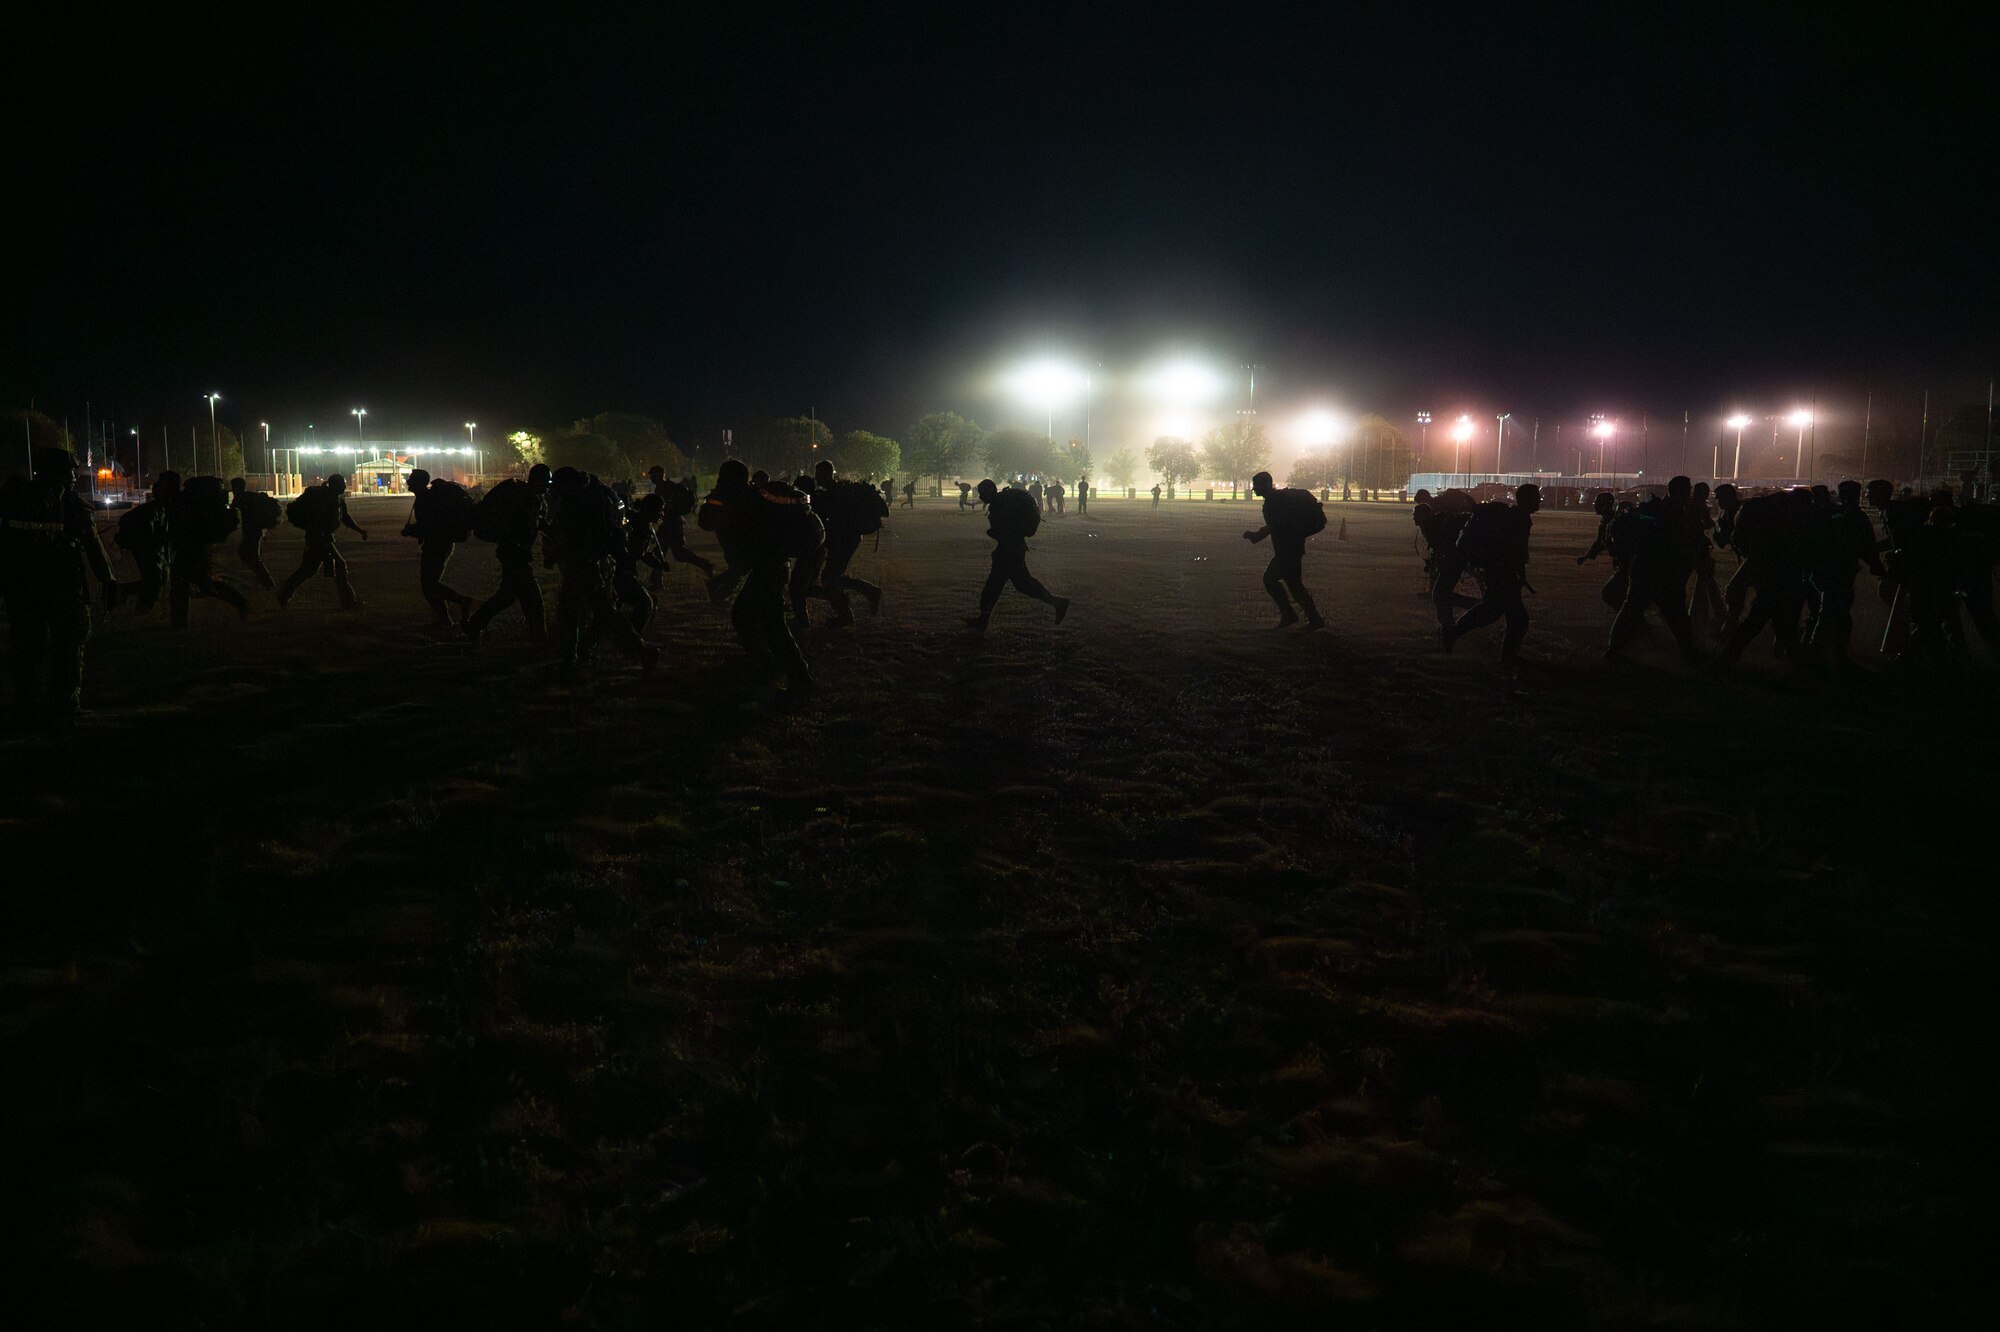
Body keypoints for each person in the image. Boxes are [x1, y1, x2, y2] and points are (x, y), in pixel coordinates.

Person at [1, 448, 121, 722]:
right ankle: (60, 704)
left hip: (28, 589)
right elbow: (93, 545)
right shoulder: (71, 505)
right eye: (70, 470)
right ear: (53, 472)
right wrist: (109, 580)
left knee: (33, 646)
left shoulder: (13, 499)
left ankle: (31, 704)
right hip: (58, 589)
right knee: (63, 645)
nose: (75, 476)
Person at [708, 460, 816, 698]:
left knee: (772, 626)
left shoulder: (745, 500)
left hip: (769, 569)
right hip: (770, 568)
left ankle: (798, 677)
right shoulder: (754, 496)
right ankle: (773, 667)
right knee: (750, 618)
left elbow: (707, 519)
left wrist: (717, 496)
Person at [545, 467, 655, 679]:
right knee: (601, 611)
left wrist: (552, 554)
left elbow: (570, 536)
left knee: (577, 614)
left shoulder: (576, 502)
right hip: (599, 561)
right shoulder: (596, 497)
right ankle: (639, 650)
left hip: (582, 564)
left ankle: (571, 663)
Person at [1604, 477, 1702, 664]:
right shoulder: (1653, 509)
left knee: (1675, 615)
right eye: (1685, 491)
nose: (1688, 495)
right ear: (1675, 491)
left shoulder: (1682, 513)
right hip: (1648, 570)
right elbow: (1625, 524)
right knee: (1633, 610)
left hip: (1667, 573)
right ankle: (1615, 649)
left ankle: (1688, 652)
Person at [1442, 483, 1540, 664]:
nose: (1539, 501)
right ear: (1528, 499)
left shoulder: (1513, 515)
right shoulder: (1520, 518)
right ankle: (1505, 656)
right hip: (1503, 572)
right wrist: (1519, 573)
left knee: (1498, 612)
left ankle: (1457, 634)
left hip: (1499, 570)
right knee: (1509, 616)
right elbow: (1517, 550)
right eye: (1536, 497)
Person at [465, 463, 551, 645]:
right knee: (532, 598)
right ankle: (539, 638)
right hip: (514, 554)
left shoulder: (526, 496)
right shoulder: (527, 499)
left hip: (512, 552)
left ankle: (475, 624)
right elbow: (524, 527)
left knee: (507, 596)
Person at [965, 479, 1068, 632]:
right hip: (1011, 549)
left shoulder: (1001, 504)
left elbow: (1006, 529)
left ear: (987, 492)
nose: (981, 496)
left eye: (981, 493)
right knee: (1016, 584)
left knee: (1003, 584)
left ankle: (1058, 603)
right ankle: (983, 620)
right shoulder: (1002, 502)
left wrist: (994, 533)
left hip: (1009, 550)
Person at [1805, 479, 1886, 664]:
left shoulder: (1832, 514)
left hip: (1825, 570)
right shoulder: (1857, 518)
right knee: (1835, 613)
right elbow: (1867, 548)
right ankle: (1825, 652)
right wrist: (1877, 565)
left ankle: (1817, 651)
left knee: (1829, 611)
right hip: (1842, 572)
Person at [1242, 471, 1327, 630]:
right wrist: (1257, 535)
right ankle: (1309, 618)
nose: (1254, 489)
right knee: (1293, 585)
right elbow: (1276, 525)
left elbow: (1275, 526)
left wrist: (1257, 536)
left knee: (1272, 580)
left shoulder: (1272, 503)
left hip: (1287, 549)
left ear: (1265, 484)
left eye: (1256, 485)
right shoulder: (1277, 500)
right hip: (1292, 547)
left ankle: (1294, 615)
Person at [167, 474, 252, 627]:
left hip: (192, 548)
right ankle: (240, 602)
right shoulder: (188, 500)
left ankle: (179, 623)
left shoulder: (185, 501)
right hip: (195, 547)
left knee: (188, 582)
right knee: (198, 582)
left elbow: (185, 525)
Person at [808, 459, 885, 627]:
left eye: (818, 474)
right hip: (846, 539)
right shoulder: (836, 491)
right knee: (831, 577)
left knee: (830, 578)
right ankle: (860, 600)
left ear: (825, 474)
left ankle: (856, 604)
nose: (816, 478)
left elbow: (837, 521)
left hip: (844, 540)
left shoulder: (836, 493)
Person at [277, 472, 367, 609]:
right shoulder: (322, 500)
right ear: (335, 485)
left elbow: (345, 518)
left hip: (323, 538)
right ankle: (348, 601)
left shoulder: (338, 501)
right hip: (318, 539)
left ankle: (284, 594)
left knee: (308, 570)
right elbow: (318, 519)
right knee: (339, 565)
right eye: (341, 484)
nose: (344, 487)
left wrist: (360, 531)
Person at [401, 468, 476, 626]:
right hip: (439, 543)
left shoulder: (425, 500)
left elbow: (430, 525)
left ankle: (461, 602)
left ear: (419, 482)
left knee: (429, 585)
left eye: (411, 479)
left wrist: (411, 531)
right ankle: (445, 619)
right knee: (429, 585)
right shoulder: (425, 498)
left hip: (437, 545)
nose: (408, 481)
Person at [113, 477, 174, 613]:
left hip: (147, 548)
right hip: (147, 549)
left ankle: (135, 599)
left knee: (154, 578)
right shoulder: (153, 511)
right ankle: (140, 606)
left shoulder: (156, 508)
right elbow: (151, 534)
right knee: (154, 578)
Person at [229, 477, 280, 590]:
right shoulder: (249, 496)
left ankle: (267, 581)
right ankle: (263, 578)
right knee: (248, 554)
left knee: (250, 555)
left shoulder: (242, 498)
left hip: (252, 531)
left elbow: (233, 511)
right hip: (255, 531)